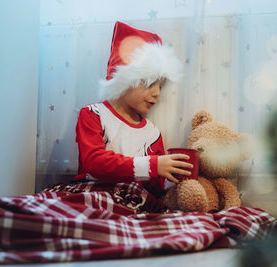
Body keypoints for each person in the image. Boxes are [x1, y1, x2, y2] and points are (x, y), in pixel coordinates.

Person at [73, 21, 193, 199]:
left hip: (132, 199)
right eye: (150, 83)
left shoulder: (152, 134)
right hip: (93, 193)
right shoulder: (93, 114)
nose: (157, 93)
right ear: (125, 80)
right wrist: (153, 166)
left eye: (161, 86)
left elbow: (156, 187)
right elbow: (94, 162)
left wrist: (170, 175)